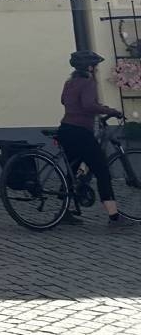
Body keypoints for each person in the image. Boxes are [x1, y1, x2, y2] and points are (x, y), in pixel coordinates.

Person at [59, 50, 127, 226]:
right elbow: (88, 105)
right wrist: (110, 111)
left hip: (65, 130)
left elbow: (64, 101)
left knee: (71, 170)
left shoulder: (69, 82)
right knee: (102, 170)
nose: (96, 69)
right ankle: (114, 216)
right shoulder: (88, 82)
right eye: (95, 66)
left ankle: (63, 212)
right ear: (89, 67)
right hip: (81, 132)